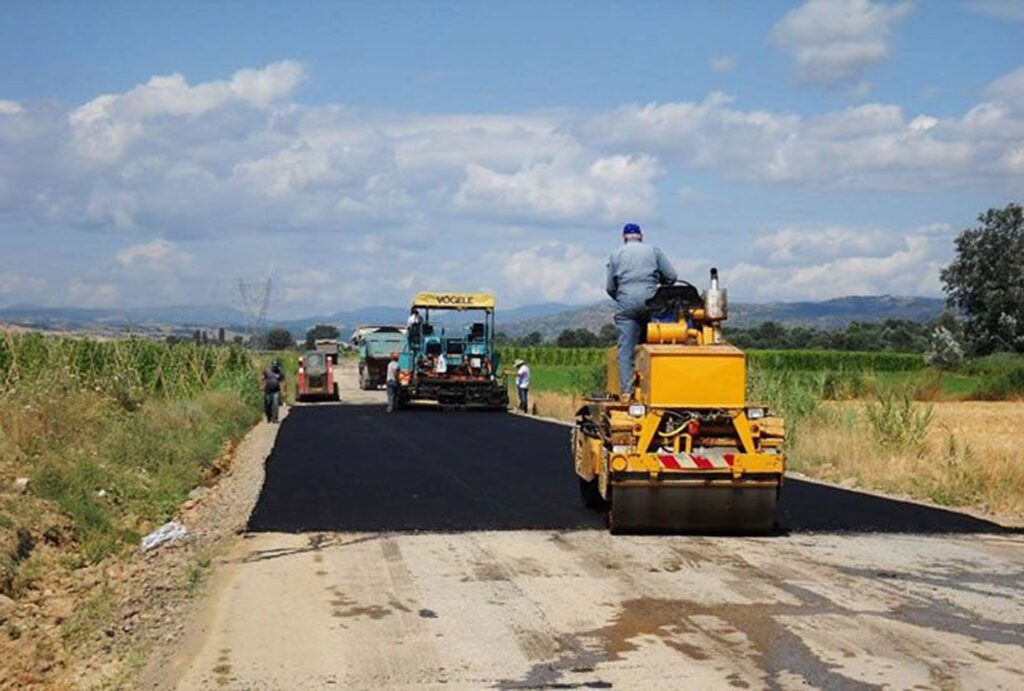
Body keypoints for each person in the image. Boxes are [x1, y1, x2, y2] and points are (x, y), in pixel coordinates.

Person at [606, 222, 677, 395]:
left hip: (626, 303)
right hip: (652, 302)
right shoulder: (653, 251)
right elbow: (672, 277)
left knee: (626, 350)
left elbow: (610, 287)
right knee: (658, 342)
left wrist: (623, 298)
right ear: (641, 236)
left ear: (624, 238)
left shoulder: (615, 254)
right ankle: (659, 389)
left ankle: (627, 392)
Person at [261, 358, 285, 423]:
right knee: (267, 404)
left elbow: (282, 382)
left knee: (275, 404)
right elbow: (262, 378)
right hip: (267, 391)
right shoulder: (267, 370)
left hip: (276, 391)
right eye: (274, 367)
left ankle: (275, 418)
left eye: (276, 367)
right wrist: (262, 385)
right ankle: (269, 416)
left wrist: (283, 391)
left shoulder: (280, 372)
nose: (275, 368)